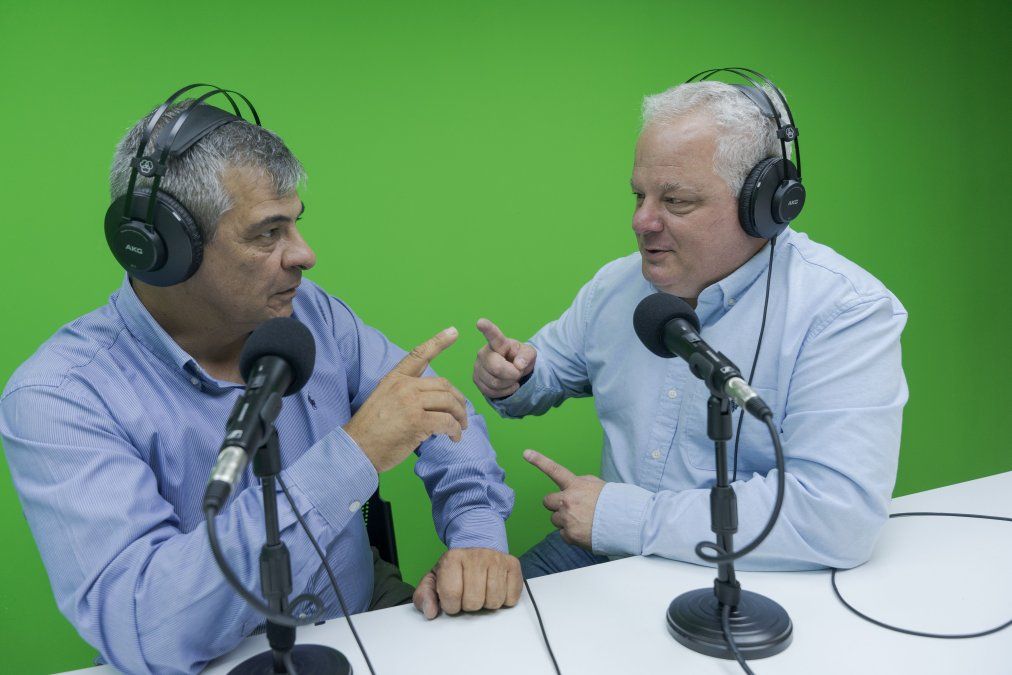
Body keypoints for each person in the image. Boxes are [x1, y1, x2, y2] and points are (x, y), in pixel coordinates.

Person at [0, 91, 520, 674]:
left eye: (296, 224)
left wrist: (477, 534)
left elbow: (442, 414)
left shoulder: (308, 314)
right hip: (204, 661)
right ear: (164, 251)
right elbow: (144, 626)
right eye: (268, 233)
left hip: (355, 614)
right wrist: (354, 454)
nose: (305, 255)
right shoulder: (60, 397)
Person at [472, 77, 908, 578]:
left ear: (763, 204)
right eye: (638, 195)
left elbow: (835, 517)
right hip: (604, 549)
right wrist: (516, 376)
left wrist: (622, 516)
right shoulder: (614, 287)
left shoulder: (844, 311)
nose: (642, 221)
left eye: (675, 202)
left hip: (750, 567)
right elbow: (546, 372)